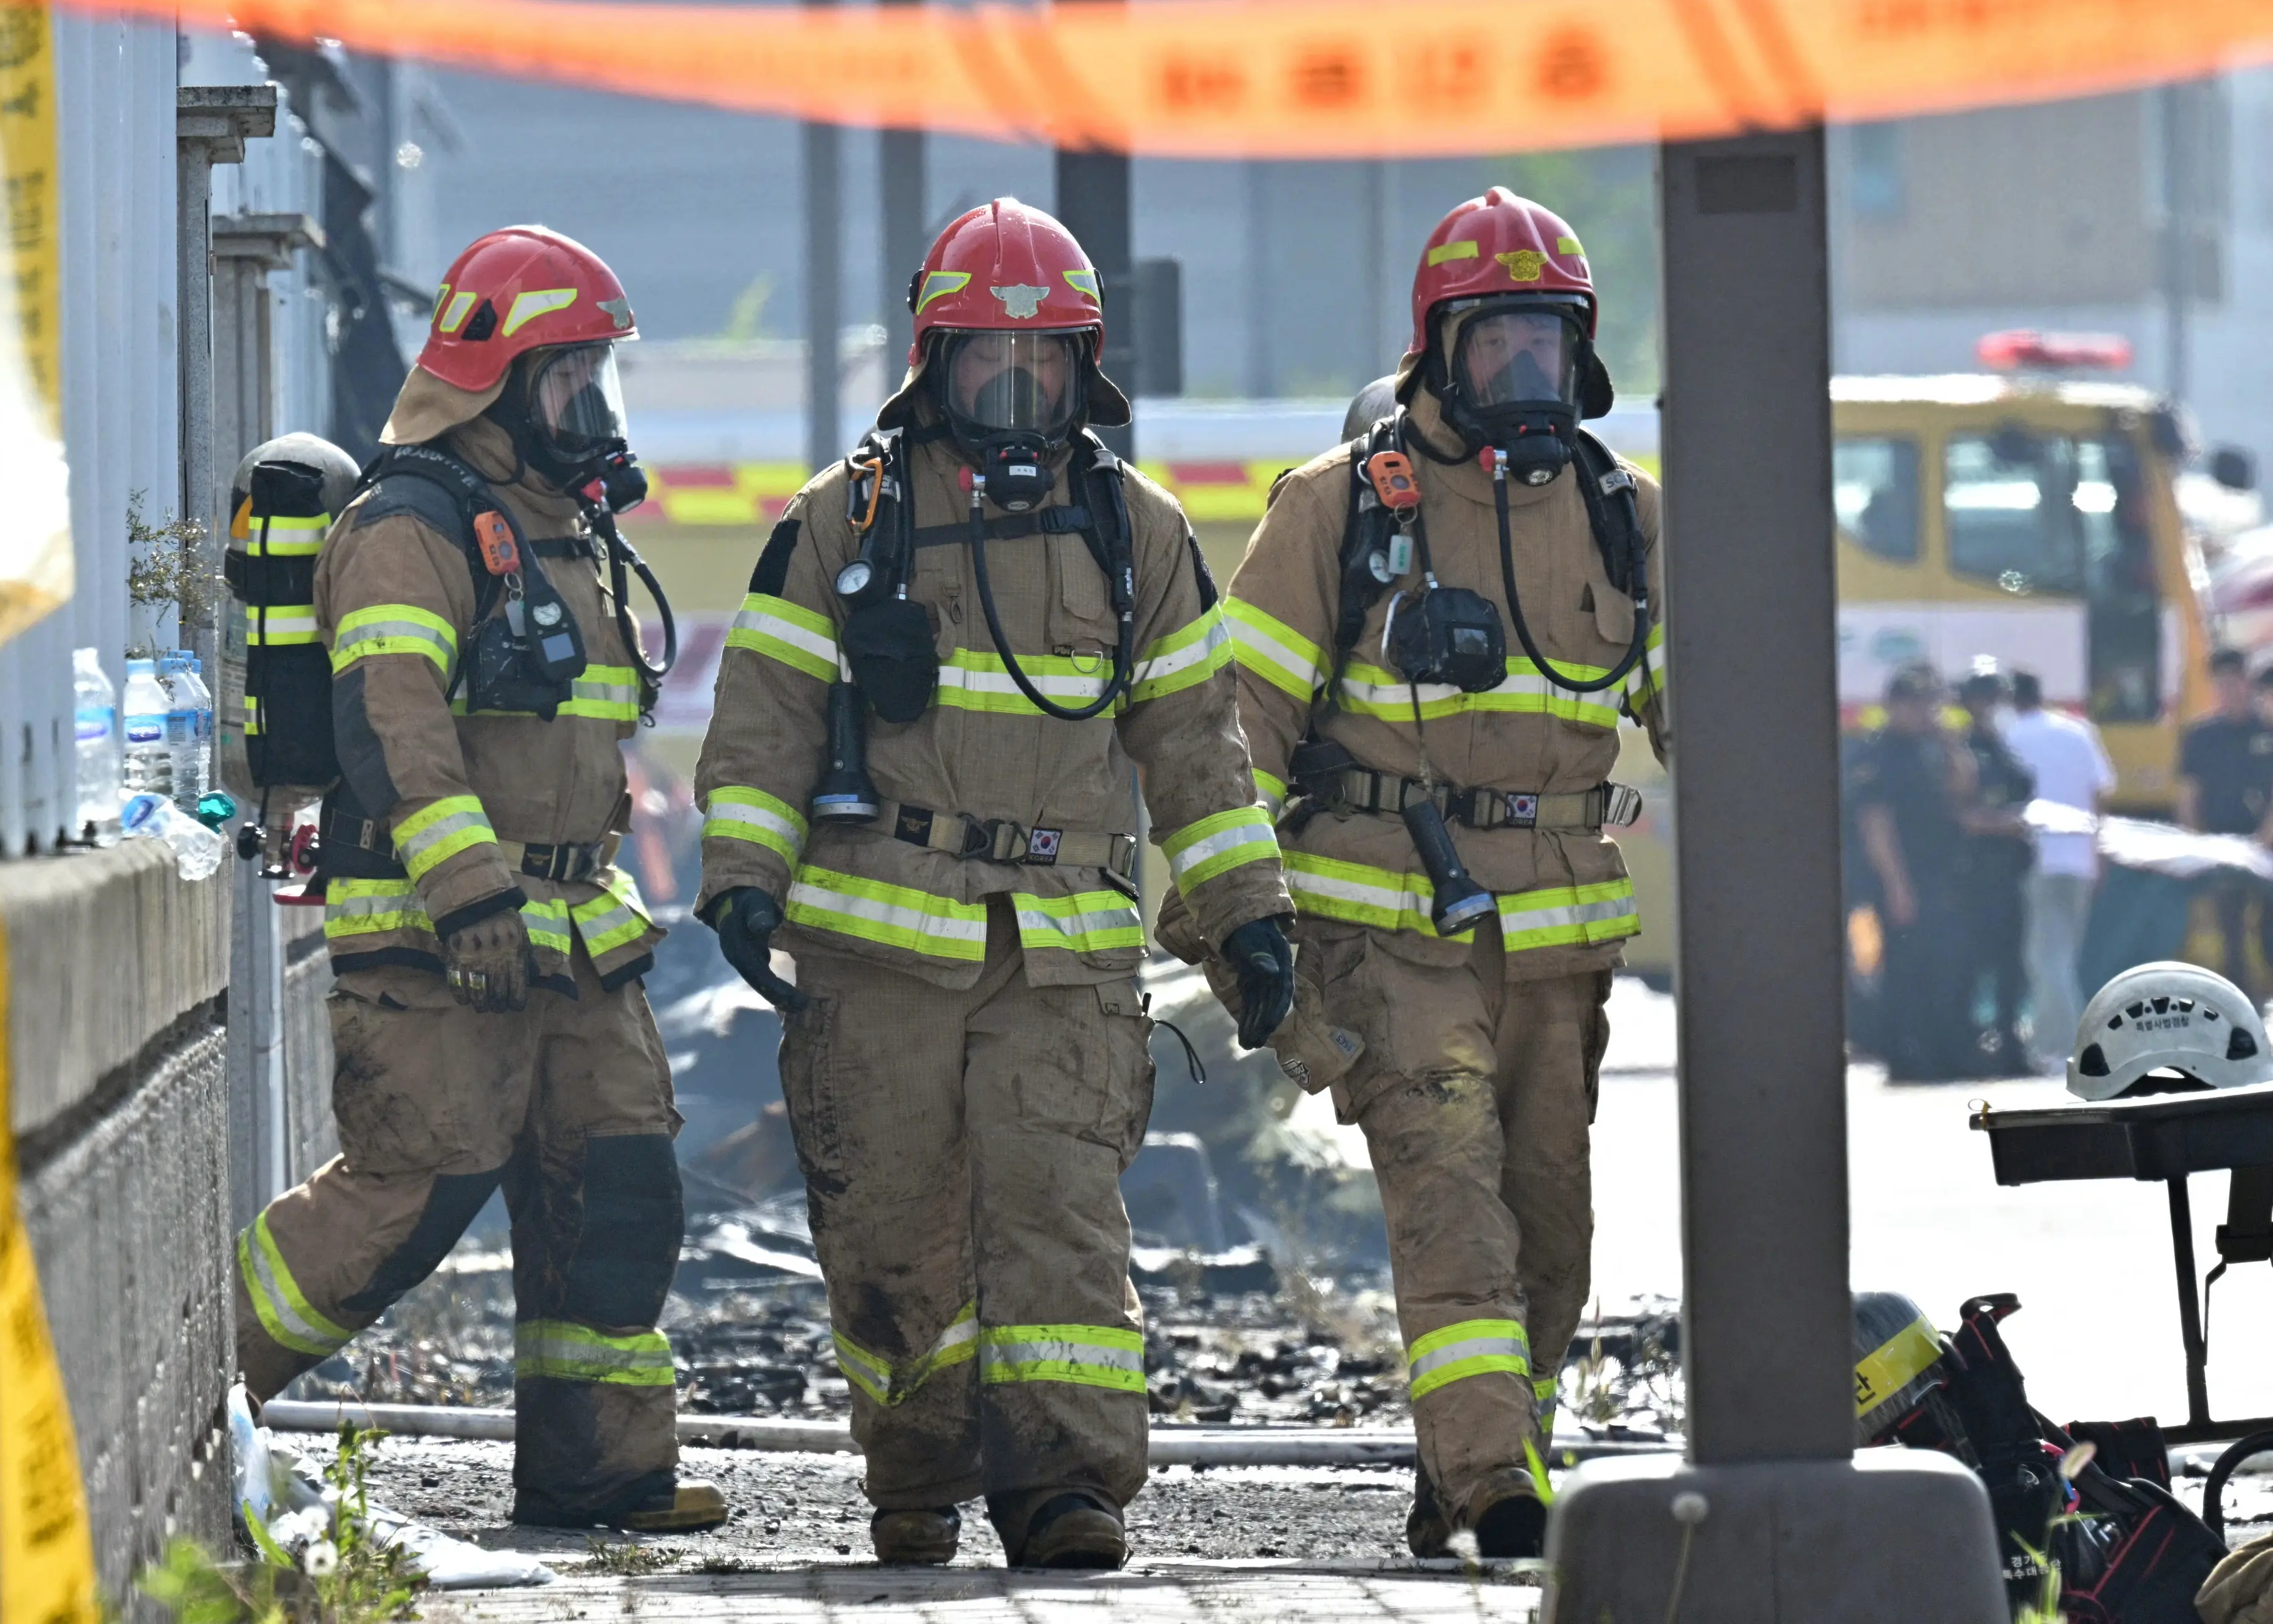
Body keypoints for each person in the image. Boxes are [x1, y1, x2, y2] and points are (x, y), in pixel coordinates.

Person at [691, 198, 1293, 1570]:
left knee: (1059, 1222)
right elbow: (765, 715)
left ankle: (1063, 1487)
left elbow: (1199, 747)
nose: (1015, 396)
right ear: (933, 365)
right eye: (986, 366)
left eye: (1041, 368)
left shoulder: (1133, 529)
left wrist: (1249, 920)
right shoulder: (846, 519)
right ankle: (913, 1475)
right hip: (874, 953)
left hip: (1062, 959)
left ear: (1081, 374)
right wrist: (740, 873)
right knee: (887, 1220)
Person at [231, 227, 726, 1533]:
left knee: (617, 1187)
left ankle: (600, 1475)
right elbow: (396, 726)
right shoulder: (409, 527)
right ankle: (200, 1391)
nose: (592, 411)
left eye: (598, 383)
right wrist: (468, 899)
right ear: (497, 382)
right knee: (413, 1194)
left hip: (574, 938)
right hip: (443, 934)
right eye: (570, 382)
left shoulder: (561, 530)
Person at [1218, 187, 1664, 1558]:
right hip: (1385, 931)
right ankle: (1495, 1487)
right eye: (1495, 346)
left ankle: (1472, 1456)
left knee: (1549, 1227)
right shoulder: (1335, 510)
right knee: (1450, 1197)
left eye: (1546, 344)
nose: (1524, 374)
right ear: (1436, 349)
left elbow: (1719, 716)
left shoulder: (1623, 518)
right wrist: (1236, 923)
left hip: (1557, 944)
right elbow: (1228, 730)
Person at [1848, 663, 1974, 1082]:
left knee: (1946, 967)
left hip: (1941, 874)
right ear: (1895, 704)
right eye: (1917, 703)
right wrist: (1898, 886)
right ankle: (1905, 1056)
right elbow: (1876, 825)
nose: (1925, 711)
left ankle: (1940, 1053)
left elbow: (1962, 789)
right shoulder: (1879, 752)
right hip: (1902, 878)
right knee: (1906, 969)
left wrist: (1950, 742)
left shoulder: (1933, 747)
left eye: (1931, 703)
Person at [1999, 668, 2115, 1070]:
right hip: (2080, 857)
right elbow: (2099, 793)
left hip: (2038, 858)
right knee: (2064, 954)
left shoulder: (2010, 736)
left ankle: (2062, 1044)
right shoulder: (2077, 732)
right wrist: (2097, 853)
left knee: (2044, 958)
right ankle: (2066, 1038)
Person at [2177, 646, 2273, 993]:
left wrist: (2262, 840)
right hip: (2222, 845)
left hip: (2266, 846)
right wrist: (2197, 844)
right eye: (2222, 683)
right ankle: (2244, 1009)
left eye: (2236, 681)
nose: (2229, 690)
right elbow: (2190, 794)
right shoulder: (2201, 735)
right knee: (2229, 935)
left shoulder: (2267, 729)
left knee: (2268, 933)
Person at [1954, 661, 2034, 1075]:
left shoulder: (2005, 747)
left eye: (1996, 697)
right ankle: (1970, 1046)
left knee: (2010, 964)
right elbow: (1958, 813)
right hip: (1972, 875)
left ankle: (2009, 1044)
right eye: (1983, 697)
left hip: (2009, 872)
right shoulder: (1963, 748)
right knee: (1972, 963)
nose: (1990, 705)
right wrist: (2005, 823)